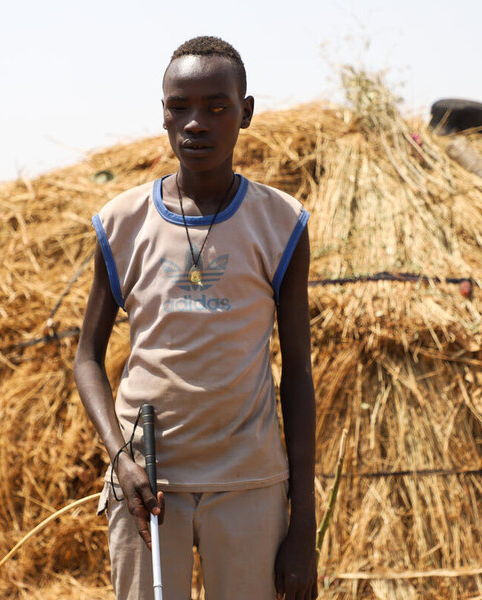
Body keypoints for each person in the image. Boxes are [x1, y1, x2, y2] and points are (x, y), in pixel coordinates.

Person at [74, 35, 317, 600]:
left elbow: (299, 375)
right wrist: (120, 458)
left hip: (250, 483)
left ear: (246, 113)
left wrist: (302, 523)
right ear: (162, 114)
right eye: (178, 106)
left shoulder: (281, 224)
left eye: (216, 107)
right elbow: (86, 357)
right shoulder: (122, 223)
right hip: (149, 485)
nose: (195, 123)